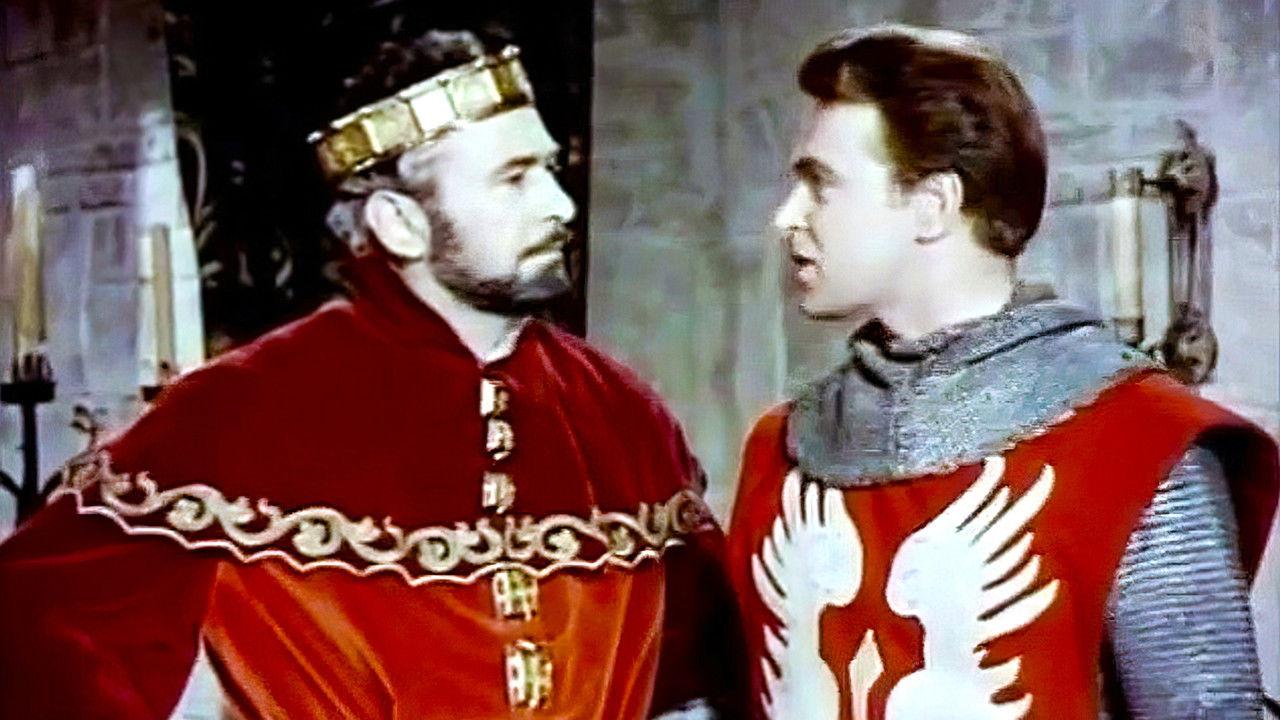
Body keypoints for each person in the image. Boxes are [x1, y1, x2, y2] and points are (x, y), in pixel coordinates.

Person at [0, 31, 740, 719]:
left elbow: (718, 667)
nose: (560, 204)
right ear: (398, 224)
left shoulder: (622, 410)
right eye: (514, 179)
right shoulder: (241, 407)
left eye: (548, 169)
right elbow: (35, 629)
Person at [724, 25, 1278, 719]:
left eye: (820, 185)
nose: (787, 216)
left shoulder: (1140, 445)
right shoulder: (780, 451)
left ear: (933, 206)